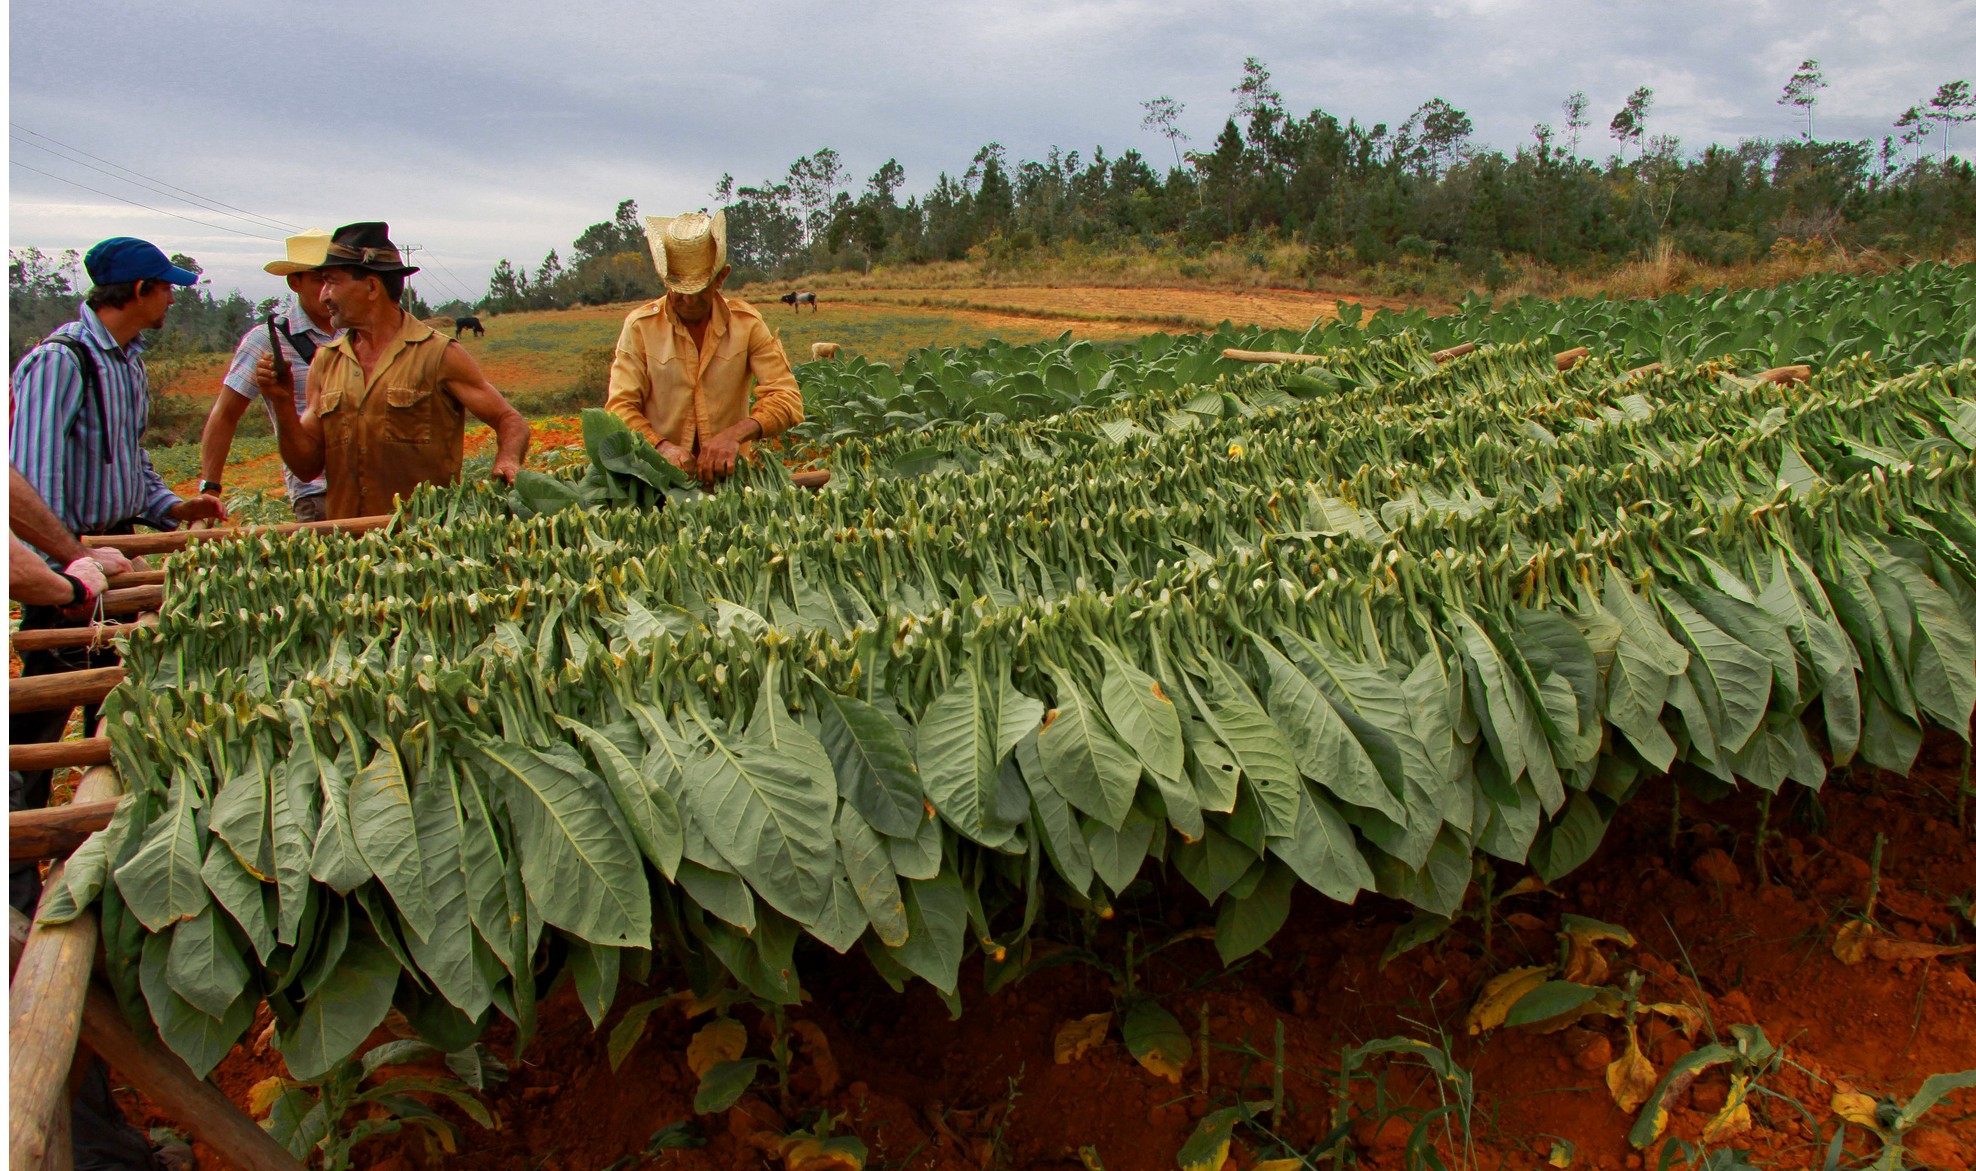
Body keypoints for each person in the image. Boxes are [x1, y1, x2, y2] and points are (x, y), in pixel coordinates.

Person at [255, 222, 529, 519]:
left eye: (332, 282)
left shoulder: (439, 354)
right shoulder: (325, 362)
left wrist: (508, 458)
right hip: (350, 550)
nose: (324, 296)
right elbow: (306, 468)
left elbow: (509, 419)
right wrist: (281, 404)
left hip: (423, 545)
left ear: (372, 287)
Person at [10, 236, 229, 539]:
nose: (172, 300)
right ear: (139, 290)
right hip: (69, 551)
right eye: (166, 288)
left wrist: (175, 507)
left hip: (112, 540)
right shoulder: (61, 361)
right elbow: (33, 479)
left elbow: (129, 456)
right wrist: (71, 562)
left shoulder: (129, 362)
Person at [603, 211, 803, 483]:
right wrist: (661, 447)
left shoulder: (747, 325)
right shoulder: (640, 327)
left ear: (721, 277)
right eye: (679, 289)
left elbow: (786, 398)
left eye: (699, 290)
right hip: (657, 482)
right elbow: (619, 408)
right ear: (665, 279)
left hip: (730, 480)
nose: (688, 300)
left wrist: (734, 435)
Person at [197, 230, 339, 521]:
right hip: (317, 493)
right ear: (294, 282)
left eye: (334, 279)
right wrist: (210, 488)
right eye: (318, 279)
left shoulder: (359, 333)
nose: (327, 290)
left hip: (374, 485)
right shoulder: (267, 341)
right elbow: (225, 414)